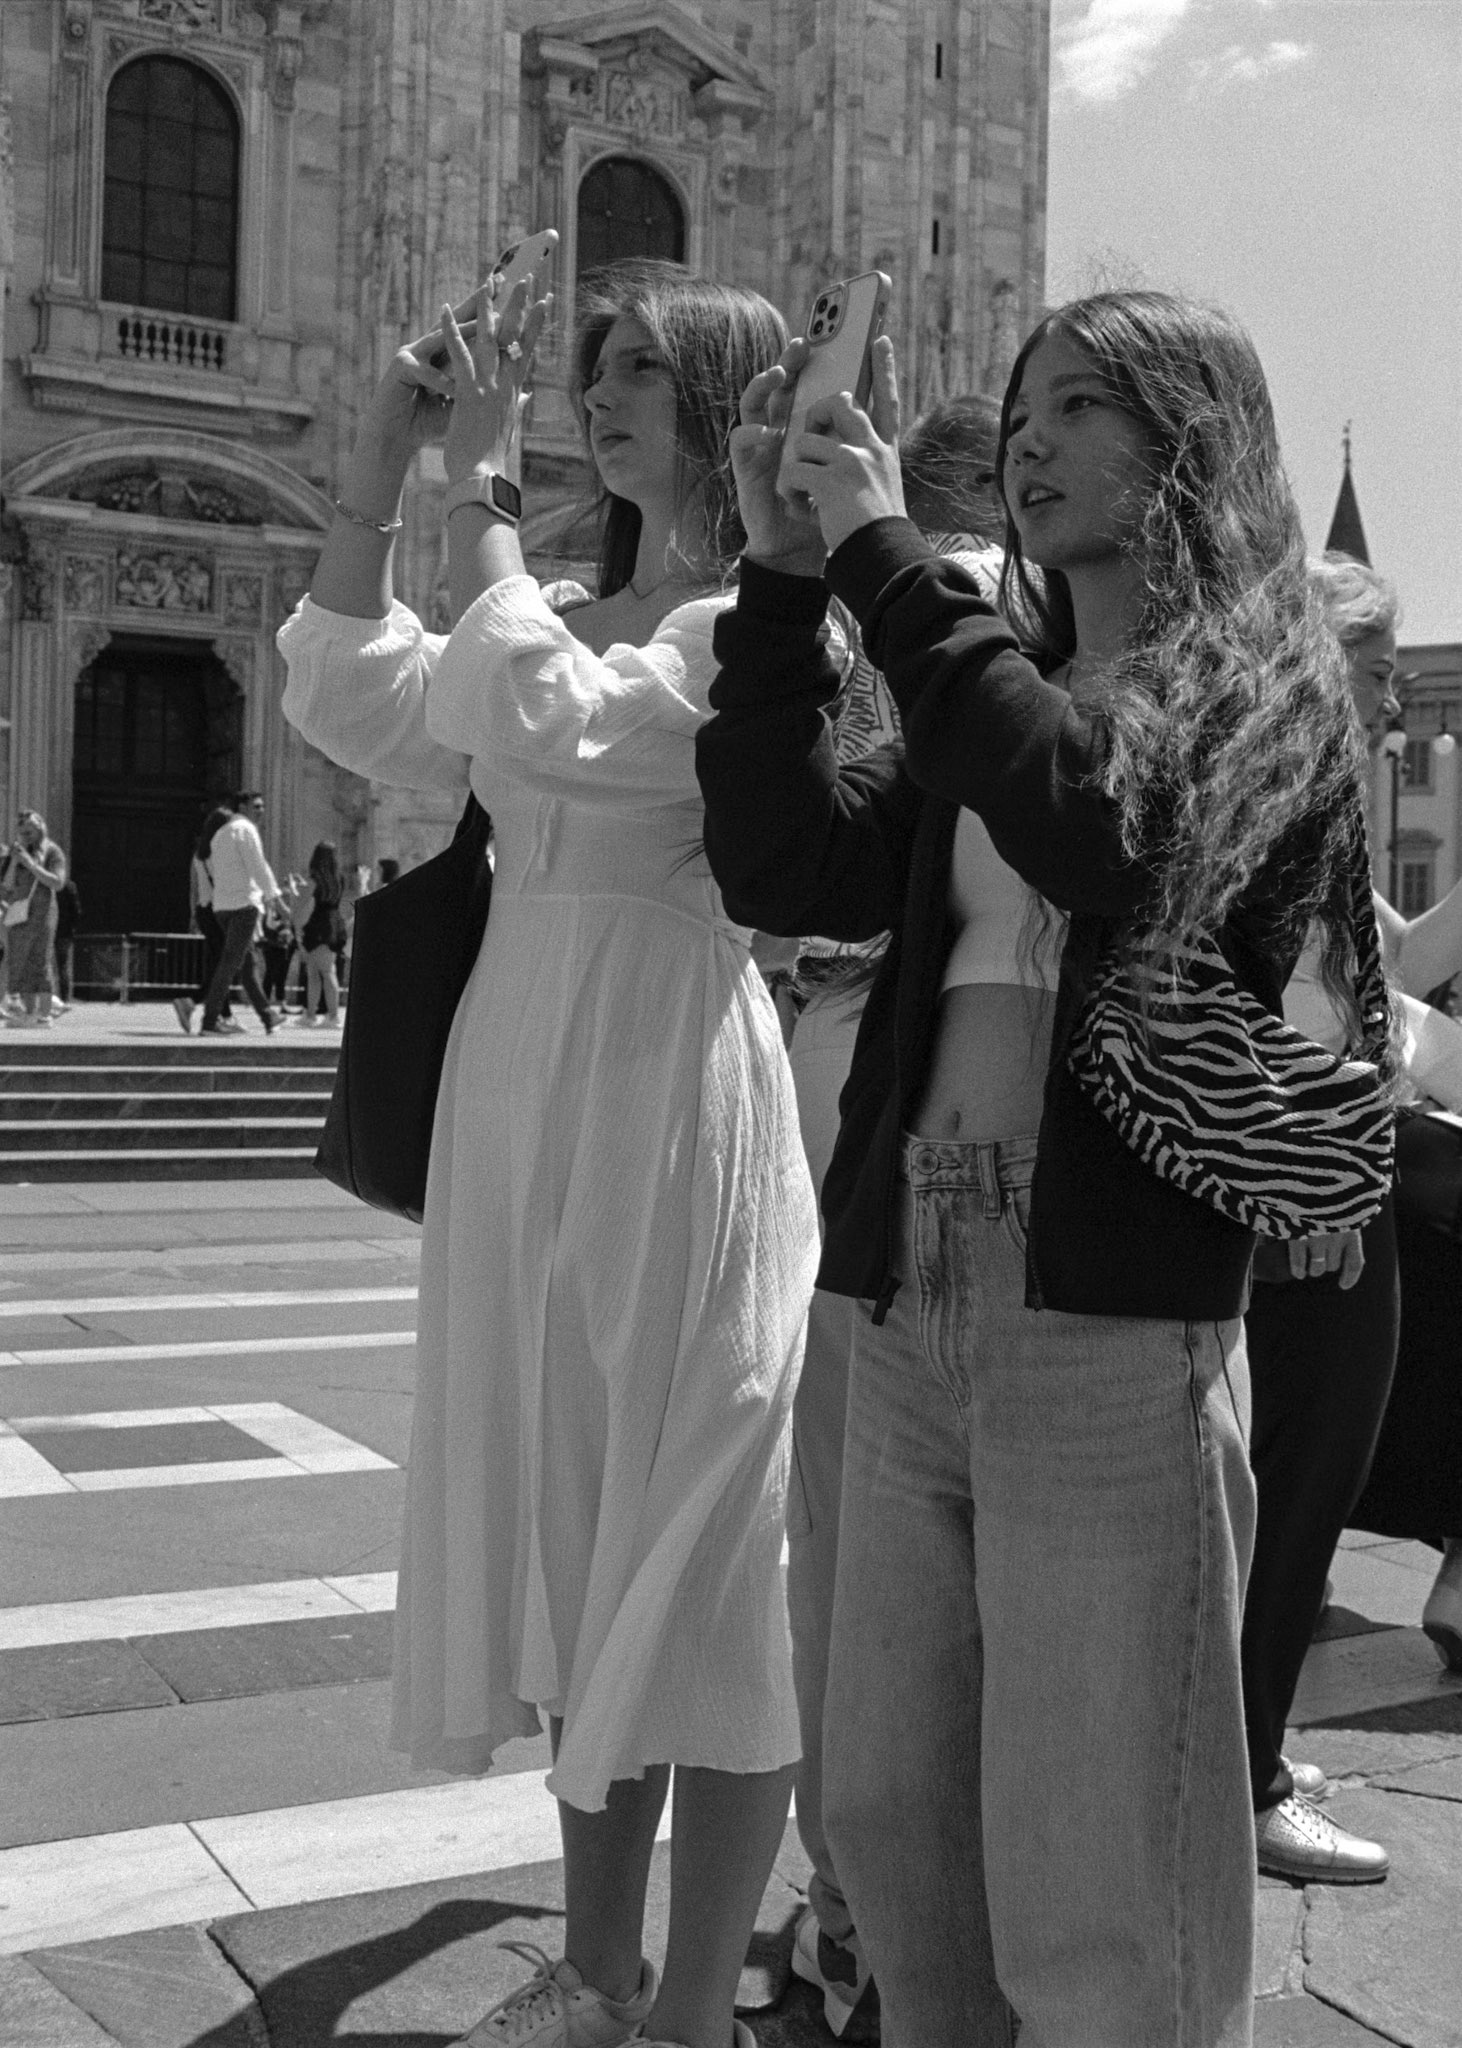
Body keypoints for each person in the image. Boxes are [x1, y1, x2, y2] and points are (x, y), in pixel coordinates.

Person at [697, 290, 1384, 2046]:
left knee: (1098, 1876)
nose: (1027, 435)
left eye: (1082, 403)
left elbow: (1086, 817)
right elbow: (785, 856)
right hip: (898, 1282)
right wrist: (786, 581)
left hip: (1098, 1313)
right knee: (898, 1828)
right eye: (1020, 406)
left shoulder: (1250, 685)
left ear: (1188, 440)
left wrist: (882, 556)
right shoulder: (989, 677)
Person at [278, 260, 818, 2048]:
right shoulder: (575, 602)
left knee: (709, 1538)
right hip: (526, 1073)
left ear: (731, 396)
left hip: (672, 1069)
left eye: (648, 368)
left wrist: (488, 502)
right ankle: (598, 1968)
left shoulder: (756, 617)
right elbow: (359, 698)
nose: (607, 389)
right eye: (599, 365)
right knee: (580, 1533)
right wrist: (385, 456)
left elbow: (561, 727)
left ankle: (685, 2003)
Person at [785, 391, 1004, 2042]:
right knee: (883, 1570)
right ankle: (865, 1927)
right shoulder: (937, 637)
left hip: (890, 1126)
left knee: (866, 1573)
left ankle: (861, 1924)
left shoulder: (974, 637)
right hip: (882, 1123)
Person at [1307, 554, 1462, 1676]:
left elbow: (1401, 958)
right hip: (1294, 1136)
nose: (1394, 701)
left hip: (1346, 1116)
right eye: (1373, 669)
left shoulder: (1310, 810)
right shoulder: (1264, 801)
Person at [199, 794, 284, 1037]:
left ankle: (269, 1017)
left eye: (263, 806)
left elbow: (217, 872)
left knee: (247, 964)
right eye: (257, 806)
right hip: (243, 906)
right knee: (230, 963)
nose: (262, 811)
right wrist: (274, 898)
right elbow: (258, 865)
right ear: (242, 807)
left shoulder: (220, 834)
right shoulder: (245, 829)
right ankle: (210, 1020)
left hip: (223, 906)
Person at [2, 812, 68, 1027]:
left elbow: (57, 883)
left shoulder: (52, 852)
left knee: (40, 960)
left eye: (29, 832)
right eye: (22, 833)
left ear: (40, 829)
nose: (26, 837)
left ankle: (44, 1014)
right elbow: (6, 885)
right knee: (19, 961)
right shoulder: (18, 853)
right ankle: (29, 1012)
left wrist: (30, 863)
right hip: (19, 912)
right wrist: (13, 860)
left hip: (43, 911)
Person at [289, 840, 347, 1026]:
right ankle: (312, 1014)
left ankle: (332, 1016)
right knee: (317, 971)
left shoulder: (315, 879)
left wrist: (293, 887)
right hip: (334, 922)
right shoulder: (339, 878)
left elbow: (301, 900)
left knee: (324, 971)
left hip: (319, 925)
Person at [54, 875, 81, 1011]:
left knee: (44, 964)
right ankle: (64, 998)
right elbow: (76, 910)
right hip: (64, 932)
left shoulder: (46, 883)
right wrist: (72, 930)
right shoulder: (69, 886)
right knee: (62, 966)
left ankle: (48, 997)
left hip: (51, 929)